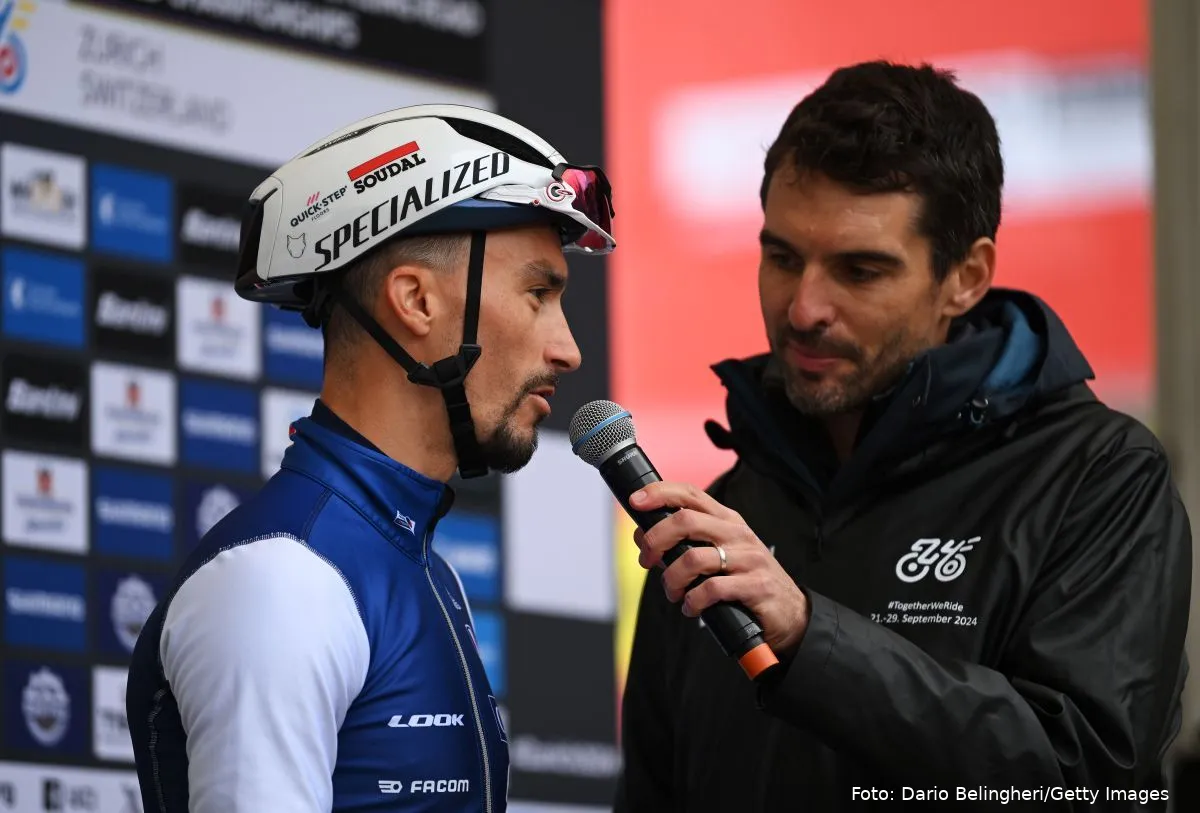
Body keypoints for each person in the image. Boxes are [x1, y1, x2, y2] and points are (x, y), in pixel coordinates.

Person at [614, 61, 1191, 812]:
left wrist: (811, 637)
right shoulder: (725, 519)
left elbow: (1091, 779)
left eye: (860, 271)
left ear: (966, 276)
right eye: (782, 257)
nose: (805, 308)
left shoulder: (1098, 477)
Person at [125, 105, 615, 812]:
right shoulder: (281, 580)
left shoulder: (422, 569)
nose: (569, 350)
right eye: (538, 294)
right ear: (414, 300)